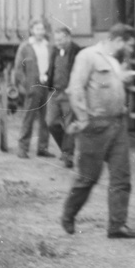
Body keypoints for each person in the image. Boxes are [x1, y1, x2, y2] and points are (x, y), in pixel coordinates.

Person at [60, 23, 135, 238]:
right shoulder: (88, 56)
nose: (130, 50)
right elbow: (75, 89)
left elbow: (113, 81)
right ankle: (68, 214)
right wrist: (83, 119)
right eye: (129, 45)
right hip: (95, 126)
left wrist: (130, 77)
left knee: (121, 176)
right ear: (118, 41)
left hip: (117, 124)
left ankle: (117, 225)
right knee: (88, 178)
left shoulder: (116, 60)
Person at [14, 18, 54, 158]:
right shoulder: (25, 47)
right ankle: (22, 148)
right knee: (29, 117)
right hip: (32, 86)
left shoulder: (48, 46)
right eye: (37, 29)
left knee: (45, 118)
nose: (40, 32)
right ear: (31, 30)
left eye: (42, 29)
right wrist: (26, 85)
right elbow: (18, 69)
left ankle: (42, 148)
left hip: (45, 85)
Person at [45, 26, 83, 168]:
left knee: (69, 125)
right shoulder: (55, 50)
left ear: (68, 37)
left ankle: (68, 156)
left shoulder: (77, 51)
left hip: (69, 94)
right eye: (56, 40)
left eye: (61, 39)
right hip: (54, 93)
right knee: (51, 123)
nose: (58, 42)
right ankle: (66, 150)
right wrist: (46, 77)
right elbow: (51, 68)